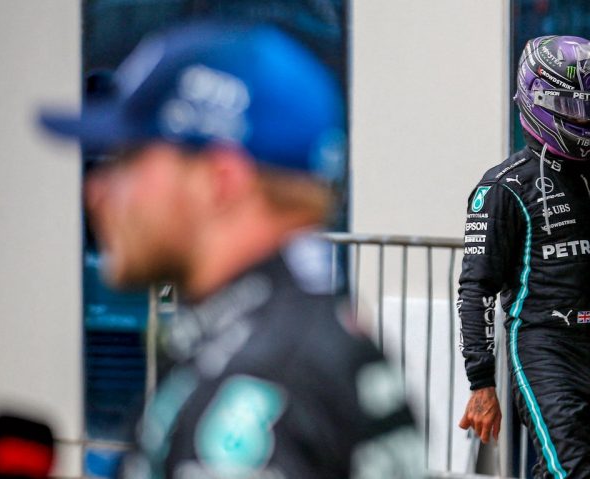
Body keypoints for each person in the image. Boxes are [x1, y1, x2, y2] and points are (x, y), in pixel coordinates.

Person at [39, 21, 421, 479]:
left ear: (220, 181)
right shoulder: (298, 335)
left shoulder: (261, 380)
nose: (97, 192)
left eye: (127, 160)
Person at [457, 35, 590, 478]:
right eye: (574, 108)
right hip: (542, 348)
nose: (587, 119)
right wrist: (481, 381)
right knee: (574, 471)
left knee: (564, 469)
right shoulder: (504, 187)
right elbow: (475, 288)